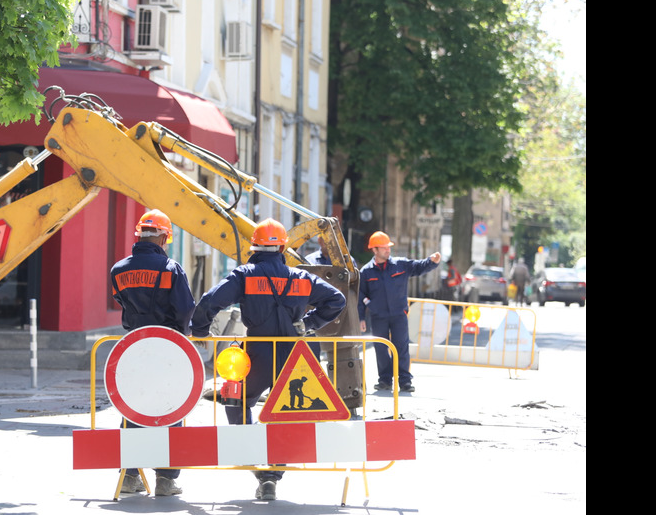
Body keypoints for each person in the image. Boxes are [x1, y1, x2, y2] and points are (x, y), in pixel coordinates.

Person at [191, 218, 346, 501]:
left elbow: (210, 300)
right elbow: (336, 299)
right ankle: (272, 475)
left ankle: (250, 451)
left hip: (258, 353)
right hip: (294, 355)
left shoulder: (245, 275)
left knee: (236, 399)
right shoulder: (300, 277)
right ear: (283, 247)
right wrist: (308, 324)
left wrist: (200, 331)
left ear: (255, 247)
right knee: (289, 412)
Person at [109, 209, 196, 497]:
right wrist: (181, 334)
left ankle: (129, 477)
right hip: (168, 346)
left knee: (133, 406)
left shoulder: (119, 270)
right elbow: (185, 309)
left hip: (134, 346)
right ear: (163, 236)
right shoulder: (171, 269)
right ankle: (165, 480)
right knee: (171, 407)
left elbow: (122, 301)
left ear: (139, 235)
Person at [357, 231, 441, 394]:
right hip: (378, 316)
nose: (388, 250)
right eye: (383, 248)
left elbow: (418, 267)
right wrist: (362, 317)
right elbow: (361, 295)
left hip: (398, 315)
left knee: (401, 347)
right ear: (374, 250)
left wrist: (432, 262)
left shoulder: (400, 265)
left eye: (388, 247)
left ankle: (404, 381)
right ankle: (385, 380)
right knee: (381, 348)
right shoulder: (366, 272)